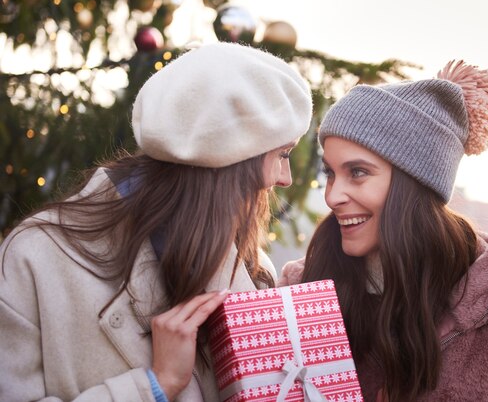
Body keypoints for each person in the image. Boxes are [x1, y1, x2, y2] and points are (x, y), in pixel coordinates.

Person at [0, 42, 312, 401]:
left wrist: (286, 327)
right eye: (282, 153)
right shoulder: (36, 258)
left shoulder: (251, 265)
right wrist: (155, 385)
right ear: (231, 155)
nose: (285, 177)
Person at [279, 60, 488, 401]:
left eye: (357, 172)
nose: (332, 196)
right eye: (330, 173)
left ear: (414, 185)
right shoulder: (299, 296)